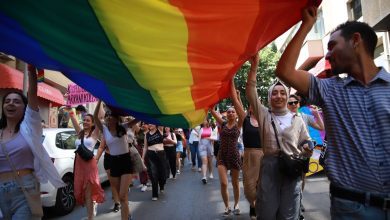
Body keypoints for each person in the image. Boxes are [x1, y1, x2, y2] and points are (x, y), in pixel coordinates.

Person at [275, 6, 390, 219]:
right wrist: (307, 25)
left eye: (332, 45)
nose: (327, 54)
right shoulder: (329, 90)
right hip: (350, 209)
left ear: (356, 41)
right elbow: (284, 71)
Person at [246, 54, 312, 220]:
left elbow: (306, 140)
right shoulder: (264, 115)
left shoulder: (297, 119)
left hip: (292, 168)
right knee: (267, 212)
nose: (279, 96)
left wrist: (307, 147)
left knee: (289, 214)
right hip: (269, 167)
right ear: (269, 97)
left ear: (287, 95)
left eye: (283, 93)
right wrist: (254, 68)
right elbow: (251, 92)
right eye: (274, 93)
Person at [0, 65, 65, 219]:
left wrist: (31, 71)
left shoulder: (29, 127)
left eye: (16, 101)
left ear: (25, 108)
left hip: (25, 189)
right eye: (7, 101)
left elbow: (32, 93)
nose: (11, 104)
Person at [94, 101, 133, 220]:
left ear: (116, 119)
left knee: (122, 195)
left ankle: (125, 216)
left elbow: (137, 120)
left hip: (126, 161)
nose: (109, 117)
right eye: (108, 116)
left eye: (111, 116)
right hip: (113, 162)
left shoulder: (124, 127)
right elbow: (95, 117)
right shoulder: (104, 129)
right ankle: (127, 214)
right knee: (121, 197)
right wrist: (99, 100)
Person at [211, 79, 244, 217]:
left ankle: (236, 204)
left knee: (235, 183)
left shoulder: (239, 124)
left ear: (236, 115)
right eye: (228, 112)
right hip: (222, 156)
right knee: (224, 183)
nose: (230, 113)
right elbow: (212, 110)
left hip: (235, 155)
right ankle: (226, 206)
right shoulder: (222, 124)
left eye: (233, 112)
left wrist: (238, 98)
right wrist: (212, 99)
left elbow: (241, 111)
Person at [68, 109, 105, 219]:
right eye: (84, 120)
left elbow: (100, 117)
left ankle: (90, 217)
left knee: (88, 193)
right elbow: (73, 118)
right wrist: (70, 110)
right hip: (79, 165)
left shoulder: (94, 134)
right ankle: (93, 204)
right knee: (81, 190)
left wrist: (99, 100)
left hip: (89, 165)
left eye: (88, 120)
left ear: (93, 123)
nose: (85, 122)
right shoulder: (80, 133)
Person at [241, 104, 263, 219]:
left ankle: (256, 209)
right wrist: (235, 93)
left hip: (264, 155)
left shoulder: (265, 120)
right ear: (249, 109)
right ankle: (253, 205)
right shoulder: (245, 120)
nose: (254, 107)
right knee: (249, 187)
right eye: (252, 106)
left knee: (261, 185)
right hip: (249, 155)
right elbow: (238, 106)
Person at [142, 123, 167, 201]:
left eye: (151, 123)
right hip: (151, 155)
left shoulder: (160, 130)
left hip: (161, 154)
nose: (150, 124)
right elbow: (145, 147)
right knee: (153, 174)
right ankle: (154, 194)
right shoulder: (146, 135)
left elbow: (160, 121)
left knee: (163, 173)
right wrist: (142, 158)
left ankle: (162, 185)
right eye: (149, 123)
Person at [198, 119, 214, 184]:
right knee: (204, 161)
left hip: (209, 146)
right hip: (202, 146)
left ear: (207, 121)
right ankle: (204, 176)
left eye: (205, 120)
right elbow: (199, 139)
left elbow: (213, 138)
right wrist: (200, 146)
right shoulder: (201, 129)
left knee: (210, 162)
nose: (204, 121)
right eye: (203, 120)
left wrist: (209, 138)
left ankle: (210, 173)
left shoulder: (210, 129)